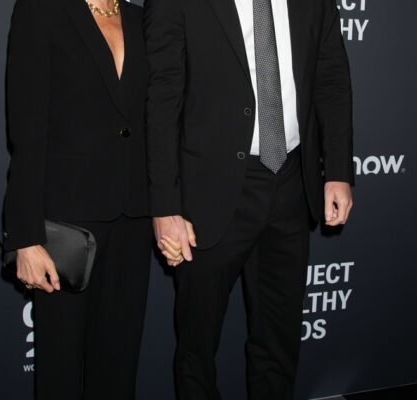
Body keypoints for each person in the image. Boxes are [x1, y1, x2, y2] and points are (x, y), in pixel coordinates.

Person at [144, 0, 354, 398]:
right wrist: (165, 206)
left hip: (292, 182)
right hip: (208, 190)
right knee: (197, 347)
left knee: (279, 341)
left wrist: (338, 170)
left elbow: (331, 75)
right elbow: (162, 95)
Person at [2, 0, 151, 399]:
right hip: (66, 226)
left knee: (119, 370)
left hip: (133, 218)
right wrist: (25, 237)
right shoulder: (42, 11)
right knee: (60, 373)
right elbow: (27, 132)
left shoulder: (141, 17)